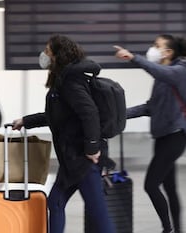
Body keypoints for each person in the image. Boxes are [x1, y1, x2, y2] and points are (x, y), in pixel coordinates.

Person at [12, 35, 115, 233]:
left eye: (47, 51)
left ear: (58, 55)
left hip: (83, 157)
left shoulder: (71, 81)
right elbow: (57, 115)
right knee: (55, 202)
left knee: (97, 212)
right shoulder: (64, 80)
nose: (44, 55)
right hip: (72, 157)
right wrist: (26, 121)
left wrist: (92, 148)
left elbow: (89, 113)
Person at [115, 35, 186, 233]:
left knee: (151, 185)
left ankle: (168, 229)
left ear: (168, 53)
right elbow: (150, 107)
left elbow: (159, 71)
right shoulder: (164, 77)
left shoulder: (179, 71)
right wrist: (119, 115)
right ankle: (177, 230)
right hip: (163, 137)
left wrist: (133, 58)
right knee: (170, 188)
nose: (152, 49)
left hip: (175, 136)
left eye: (157, 46)